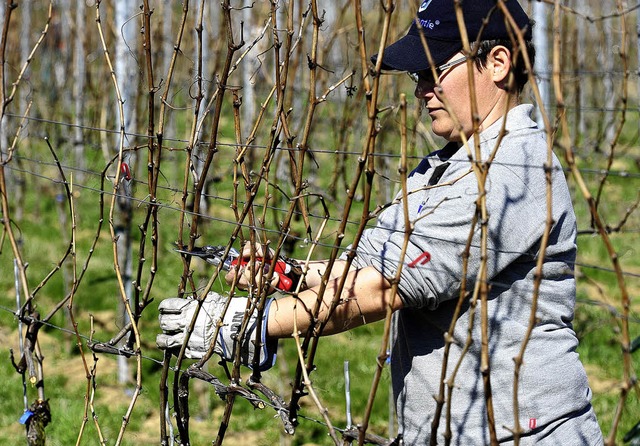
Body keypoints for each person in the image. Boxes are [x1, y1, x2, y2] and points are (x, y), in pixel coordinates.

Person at [157, 0, 604, 444]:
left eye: (434, 71)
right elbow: (372, 265)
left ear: (498, 63)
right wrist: (289, 275)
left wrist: (243, 323)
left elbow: (381, 289)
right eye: (418, 76)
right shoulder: (442, 169)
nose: (420, 91)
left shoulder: (513, 172)